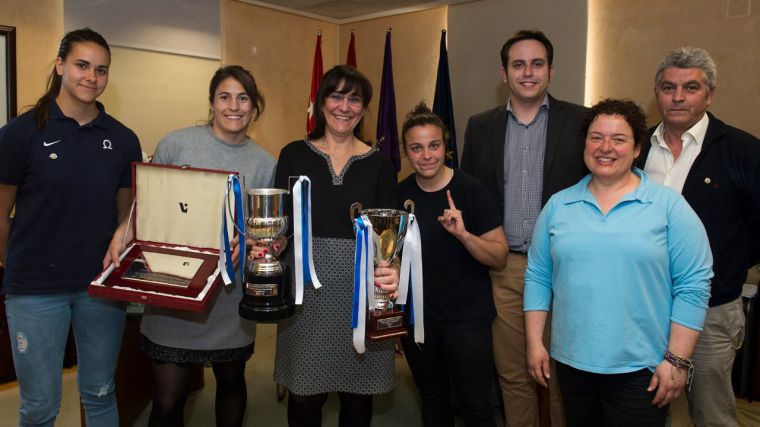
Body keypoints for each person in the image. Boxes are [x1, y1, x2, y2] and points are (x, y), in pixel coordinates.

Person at [524, 98, 713, 426]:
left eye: (619, 139)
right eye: (596, 137)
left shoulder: (668, 207)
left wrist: (677, 360)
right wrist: (534, 343)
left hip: (643, 369)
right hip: (572, 365)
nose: (605, 147)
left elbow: (694, 284)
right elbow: (538, 275)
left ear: (638, 148)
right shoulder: (559, 205)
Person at [0, 28, 142, 426]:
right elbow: (0, 215)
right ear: (60, 65)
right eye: (82, 65)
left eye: (101, 70)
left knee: (100, 394)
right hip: (33, 292)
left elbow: (124, 219)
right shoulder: (20, 134)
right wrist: (17, 267)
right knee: (40, 407)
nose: (91, 77)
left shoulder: (123, 139)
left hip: (99, 288)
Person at [129, 65, 275, 427]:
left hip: (228, 298)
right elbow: (147, 205)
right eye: (224, 96)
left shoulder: (263, 163)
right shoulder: (176, 144)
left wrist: (254, 241)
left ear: (254, 106)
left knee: (231, 383)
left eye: (243, 98)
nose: (234, 106)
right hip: (174, 291)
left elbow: (264, 230)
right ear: (211, 102)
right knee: (167, 400)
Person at [460, 28, 587, 427]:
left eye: (537, 64)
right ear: (504, 73)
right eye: (518, 65)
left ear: (551, 70)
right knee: (514, 375)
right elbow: (471, 196)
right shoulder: (480, 126)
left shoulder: (583, 122)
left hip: (567, 269)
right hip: (506, 269)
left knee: (565, 374)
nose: (527, 72)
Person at [636, 47, 760, 426]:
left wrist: (725, 270)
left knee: (711, 414)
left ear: (709, 94)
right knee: (647, 411)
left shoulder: (743, 150)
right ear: (656, 92)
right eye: (668, 86)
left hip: (711, 309)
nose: (677, 97)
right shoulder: (635, 149)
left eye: (690, 87)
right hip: (644, 306)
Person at [273, 64, 399, 427]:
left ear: (364, 107)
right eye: (336, 96)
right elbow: (279, 223)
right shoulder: (294, 154)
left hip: (361, 292)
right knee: (304, 397)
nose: (345, 107)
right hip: (307, 295)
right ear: (321, 102)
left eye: (354, 99)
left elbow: (388, 238)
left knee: (357, 396)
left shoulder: (380, 164)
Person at [397, 102, 508, 427]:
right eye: (416, 148)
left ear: (446, 147)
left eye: (434, 145)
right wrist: (391, 321)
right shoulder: (399, 195)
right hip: (419, 322)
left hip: (467, 322)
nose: (426, 155)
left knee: (475, 406)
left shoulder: (471, 190)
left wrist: (464, 235)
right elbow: (390, 263)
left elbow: (499, 257)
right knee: (433, 402)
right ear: (406, 152)